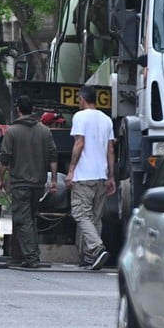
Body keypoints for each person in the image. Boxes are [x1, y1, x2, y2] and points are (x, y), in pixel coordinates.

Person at [0, 95, 58, 269]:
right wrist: (53, 179)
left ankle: (32, 258)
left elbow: (5, 160)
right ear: (33, 110)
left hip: (20, 184)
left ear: (18, 110)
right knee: (31, 218)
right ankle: (33, 254)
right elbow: (53, 157)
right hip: (39, 184)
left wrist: (1, 180)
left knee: (23, 221)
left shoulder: (12, 131)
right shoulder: (45, 131)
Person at [66, 86, 116, 271]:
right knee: (95, 217)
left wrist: (71, 170)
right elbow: (111, 150)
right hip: (101, 176)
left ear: (81, 98)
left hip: (84, 175)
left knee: (80, 214)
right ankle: (89, 257)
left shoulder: (80, 117)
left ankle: (96, 248)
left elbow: (79, 143)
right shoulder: (106, 120)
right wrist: (111, 176)